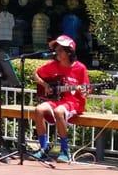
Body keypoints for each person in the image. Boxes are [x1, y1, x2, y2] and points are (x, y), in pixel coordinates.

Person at [32, 35, 90, 163]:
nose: (56, 52)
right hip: (56, 100)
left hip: (73, 102)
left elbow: (86, 89)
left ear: (69, 51)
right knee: (38, 110)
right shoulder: (53, 65)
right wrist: (46, 85)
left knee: (59, 111)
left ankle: (65, 150)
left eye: (60, 49)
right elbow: (35, 74)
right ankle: (43, 148)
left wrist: (84, 91)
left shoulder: (80, 68)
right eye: (56, 49)